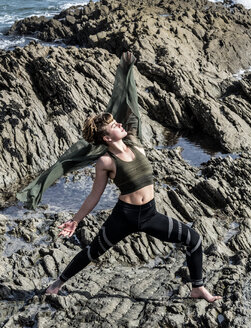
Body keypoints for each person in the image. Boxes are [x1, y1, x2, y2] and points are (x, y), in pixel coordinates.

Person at [45, 52, 221, 303]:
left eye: (117, 122)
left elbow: (130, 104)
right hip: (125, 217)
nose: (119, 125)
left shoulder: (135, 143)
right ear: (106, 138)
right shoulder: (105, 161)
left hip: (149, 214)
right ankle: (57, 284)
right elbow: (94, 195)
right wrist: (75, 221)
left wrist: (126, 71)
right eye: (114, 126)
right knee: (93, 251)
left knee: (193, 239)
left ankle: (198, 287)